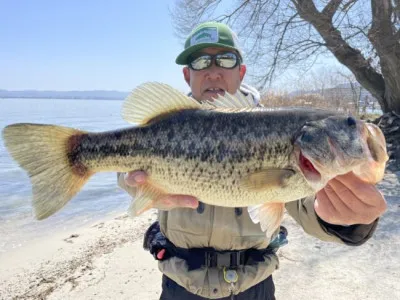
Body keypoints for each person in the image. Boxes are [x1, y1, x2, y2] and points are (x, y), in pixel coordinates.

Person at [118, 22, 386, 300]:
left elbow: (307, 206)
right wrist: (133, 185)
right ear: (187, 75)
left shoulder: (282, 133)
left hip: (254, 286)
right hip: (180, 285)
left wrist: (349, 223)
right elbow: (129, 168)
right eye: (200, 61)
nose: (213, 71)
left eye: (225, 59)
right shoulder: (167, 124)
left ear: (241, 71)